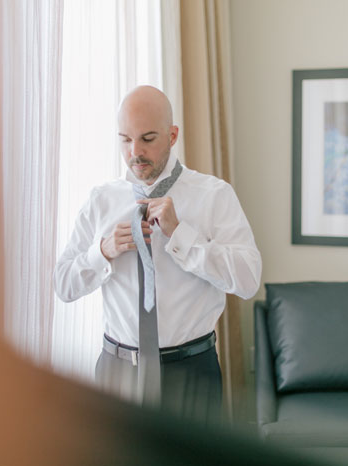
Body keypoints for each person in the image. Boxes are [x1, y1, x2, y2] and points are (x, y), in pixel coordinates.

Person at [54, 85, 261, 424]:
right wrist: (102, 252)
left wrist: (181, 234)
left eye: (148, 138)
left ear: (173, 134)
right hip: (115, 372)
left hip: (191, 372)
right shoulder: (101, 200)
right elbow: (63, 285)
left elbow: (248, 280)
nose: (135, 152)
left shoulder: (214, 196)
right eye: (125, 139)